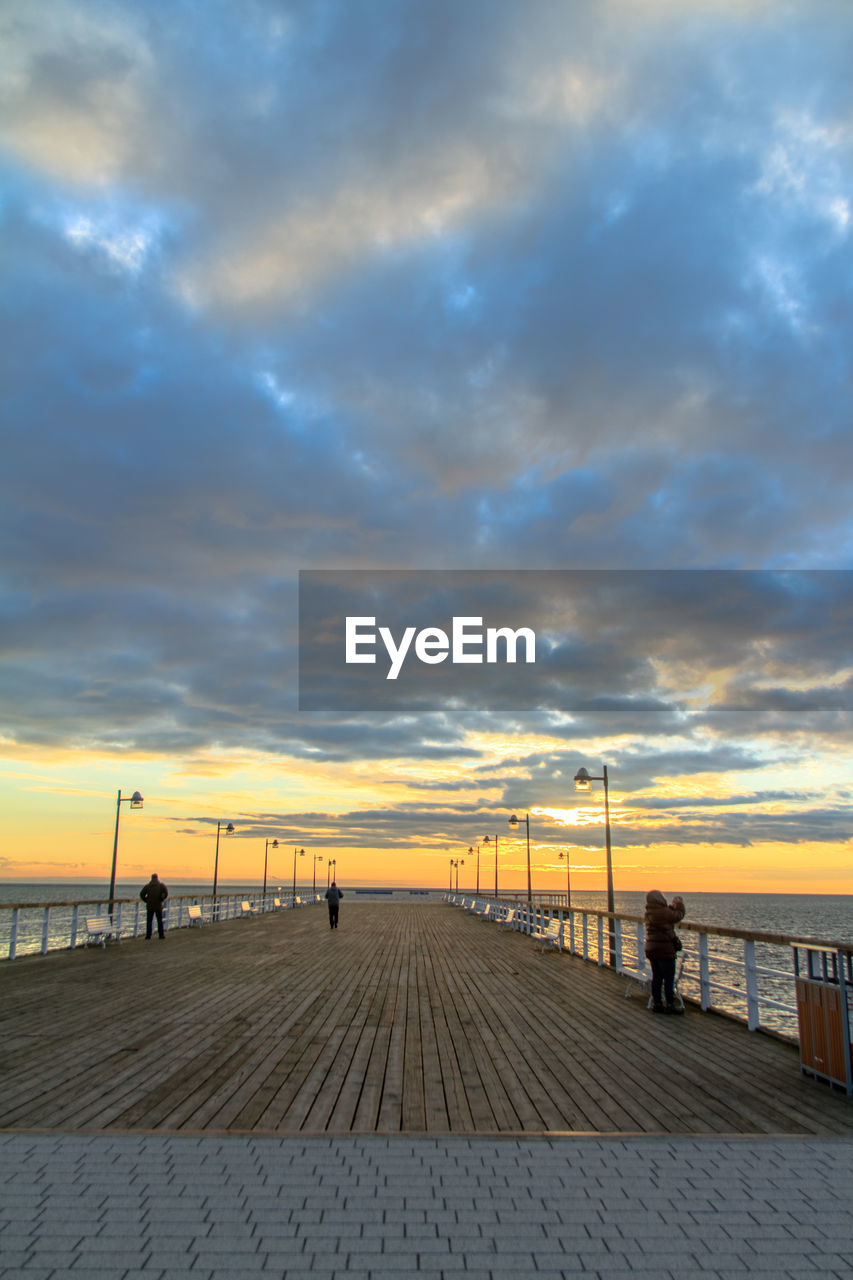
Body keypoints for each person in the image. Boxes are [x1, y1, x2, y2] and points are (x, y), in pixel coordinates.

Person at [644, 889, 685, 1014]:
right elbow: (678, 916)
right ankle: (670, 1005)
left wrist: (670, 908)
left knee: (657, 978)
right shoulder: (664, 912)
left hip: (652, 949)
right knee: (668, 979)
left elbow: (665, 917)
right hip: (665, 950)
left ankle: (657, 1004)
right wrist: (679, 905)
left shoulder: (649, 913)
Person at [140, 873, 169, 940]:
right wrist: (162, 899)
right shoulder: (161, 886)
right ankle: (161, 935)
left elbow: (142, 894)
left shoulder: (147, 886)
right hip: (158, 905)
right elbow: (166, 893)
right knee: (159, 920)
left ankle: (148, 936)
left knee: (149, 921)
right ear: (157, 878)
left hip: (150, 906)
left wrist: (146, 900)